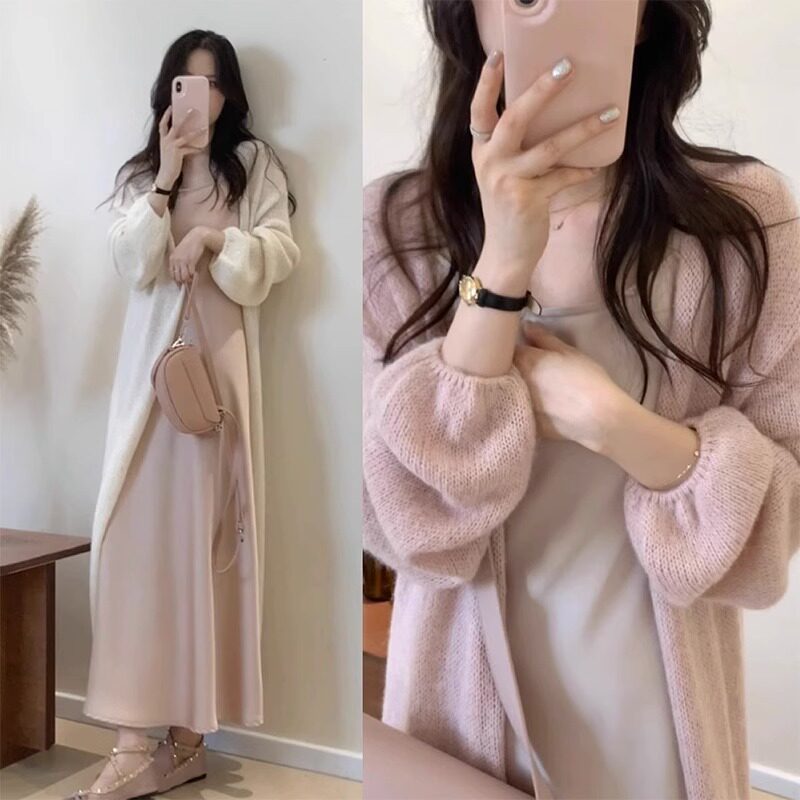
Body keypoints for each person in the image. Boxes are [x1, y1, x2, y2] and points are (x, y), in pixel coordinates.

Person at [362, 1, 799, 798]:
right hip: (464, 703)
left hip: (657, 702)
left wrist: (614, 424)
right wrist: (501, 267)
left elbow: (782, 518)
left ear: (645, 16)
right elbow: (399, 522)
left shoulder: (745, 222)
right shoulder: (396, 230)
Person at [69, 29, 299, 800]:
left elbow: (277, 257)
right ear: (168, 91)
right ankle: (132, 741)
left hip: (215, 395)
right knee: (133, 551)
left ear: (229, 95)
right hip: (149, 394)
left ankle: (188, 740)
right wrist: (167, 181)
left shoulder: (253, 165)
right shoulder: (145, 174)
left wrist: (211, 238)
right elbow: (130, 265)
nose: (201, 99)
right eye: (186, 83)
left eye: (213, 85)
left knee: (208, 554)